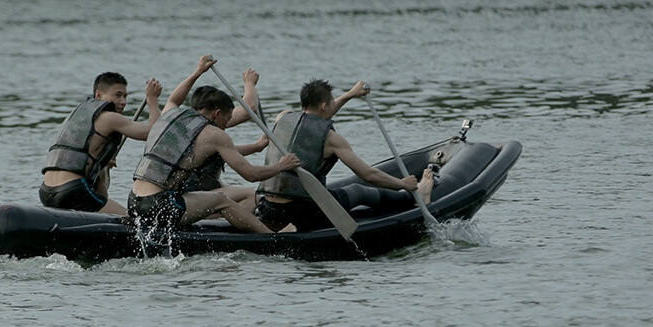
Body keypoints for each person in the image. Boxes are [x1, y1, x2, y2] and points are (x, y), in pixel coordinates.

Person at [128, 56, 301, 234]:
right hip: (158, 207)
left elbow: (173, 99)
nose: (227, 123)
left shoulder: (171, 115)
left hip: (134, 201)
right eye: (227, 117)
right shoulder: (215, 134)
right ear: (217, 113)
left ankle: (232, 221)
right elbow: (250, 174)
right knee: (221, 199)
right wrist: (282, 165)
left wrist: (198, 72)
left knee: (217, 196)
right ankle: (271, 238)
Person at [256, 78, 434, 232]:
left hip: (269, 208)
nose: (334, 105)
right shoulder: (332, 139)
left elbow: (316, 118)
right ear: (325, 105)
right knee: (359, 190)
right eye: (331, 102)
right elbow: (368, 175)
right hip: (304, 212)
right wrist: (402, 184)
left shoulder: (282, 118)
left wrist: (350, 94)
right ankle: (415, 197)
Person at [40, 72, 162, 215]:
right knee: (136, 222)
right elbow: (153, 133)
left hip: (46, 192)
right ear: (98, 95)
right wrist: (152, 100)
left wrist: (101, 162)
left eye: (125, 96)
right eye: (117, 95)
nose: (123, 102)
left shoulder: (77, 116)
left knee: (102, 177)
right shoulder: (110, 118)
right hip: (73, 192)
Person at [166, 57, 270, 212]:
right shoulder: (210, 126)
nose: (228, 120)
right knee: (255, 195)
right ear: (216, 112)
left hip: (184, 189)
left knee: (227, 187)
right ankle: (218, 219)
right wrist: (249, 83)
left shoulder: (180, 120)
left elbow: (225, 152)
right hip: (191, 192)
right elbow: (249, 108)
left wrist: (257, 147)